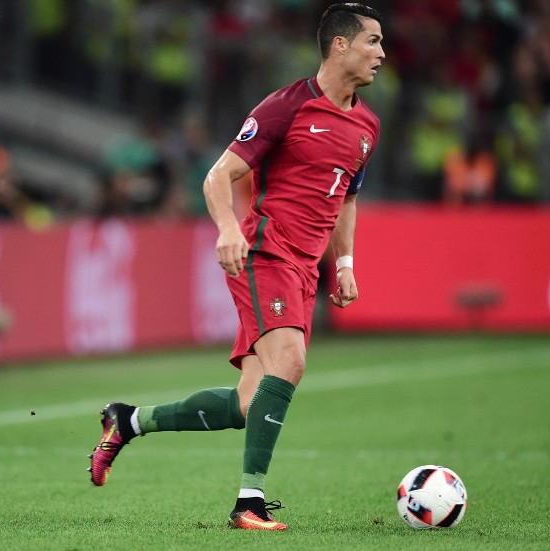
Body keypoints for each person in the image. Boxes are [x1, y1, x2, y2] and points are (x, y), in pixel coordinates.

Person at [88, 3, 384, 532]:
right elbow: (217, 176)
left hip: (304, 270)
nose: (381, 54)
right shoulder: (286, 107)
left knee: (250, 404)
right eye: (372, 41)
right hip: (265, 253)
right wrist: (228, 229)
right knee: (289, 363)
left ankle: (128, 421)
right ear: (339, 45)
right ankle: (249, 503)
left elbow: (346, 200)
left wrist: (344, 264)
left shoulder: (367, 125)